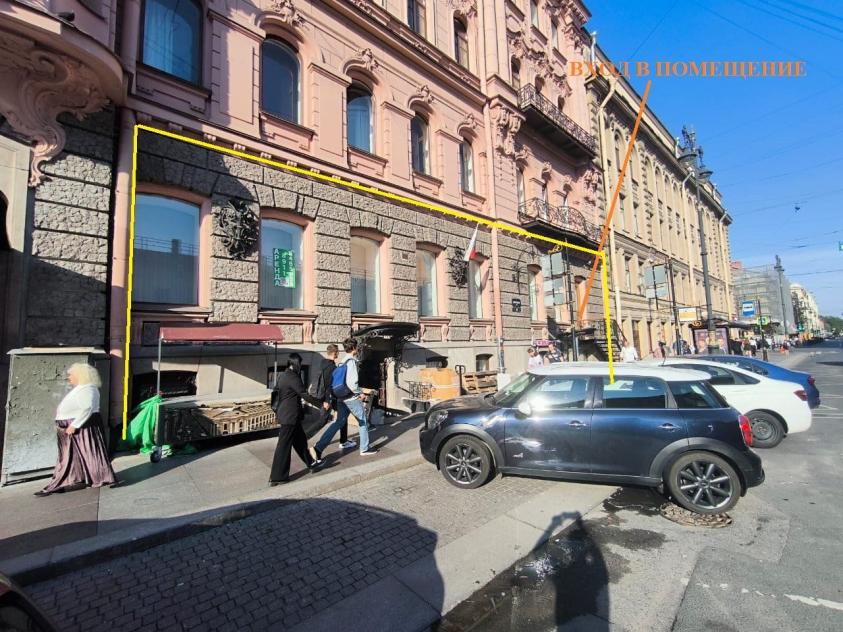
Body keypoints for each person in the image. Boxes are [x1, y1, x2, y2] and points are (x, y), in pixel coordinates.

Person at [36, 363, 117, 497]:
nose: (69, 377)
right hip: (74, 425)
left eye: (71, 375)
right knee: (79, 455)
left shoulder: (87, 389)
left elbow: (87, 408)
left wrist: (74, 425)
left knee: (76, 455)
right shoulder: (83, 388)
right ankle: (91, 478)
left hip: (79, 426)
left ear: (81, 375)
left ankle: (59, 483)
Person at [312, 338, 378, 460]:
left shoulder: (342, 362)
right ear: (353, 348)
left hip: (341, 398)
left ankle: (318, 447)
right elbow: (352, 384)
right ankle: (365, 448)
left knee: (339, 422)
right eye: (356, 347)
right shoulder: (351, 362)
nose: (357, 349)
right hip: (350, 398)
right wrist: (360, 393)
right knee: (363, 421)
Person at [269, 353, 328, 486]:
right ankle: (278, 477)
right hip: (290, 416)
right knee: (283, 446)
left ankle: (312, 464)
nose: (300, 366)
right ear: (296, 363)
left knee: (300, 442)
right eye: (300, 364)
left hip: (288, 415)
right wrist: (321, 404)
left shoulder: (283, 375)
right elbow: (304, 394)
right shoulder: (293, 377)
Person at [314, 344, 356, 451]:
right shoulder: (331, 367)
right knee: (323, 421)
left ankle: (344, 440)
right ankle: (314, 444)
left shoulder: (323, 363)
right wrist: (326, 400)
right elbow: (328, 385)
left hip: (327, 397)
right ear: (334, 353)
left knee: (342, 417)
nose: (338, 353)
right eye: (337, 352)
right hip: (329, 398)